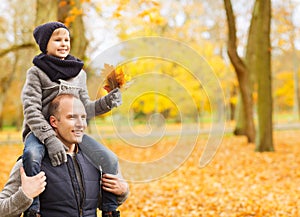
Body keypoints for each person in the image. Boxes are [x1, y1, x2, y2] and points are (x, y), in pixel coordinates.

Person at [21, 22, 122, 217]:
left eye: (66, 39)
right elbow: (31, 110)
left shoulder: (79, 74)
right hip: (41, 133)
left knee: (110, 159)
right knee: (32, 156)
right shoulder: (36, 73)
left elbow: (87, 108)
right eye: (57, 40)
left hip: (71, 132)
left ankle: (109, 210)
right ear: (45, 44)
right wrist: (50, 139)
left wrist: (108, 101)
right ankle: (33, 210)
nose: (64, 44)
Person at [0, 94, 129, 217]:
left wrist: (122, 191)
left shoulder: (95, 161)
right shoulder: (32, 163)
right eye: (72, 117)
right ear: (54, 122)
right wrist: (24, 195)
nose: (80, 124)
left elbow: (98, 203)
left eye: (83, 117)